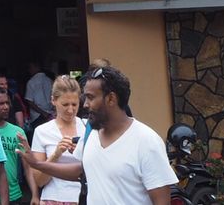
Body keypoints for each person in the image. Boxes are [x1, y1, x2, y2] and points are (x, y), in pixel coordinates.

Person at [23, 64, 176, 205]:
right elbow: (83, 171)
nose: (85, 105)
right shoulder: (91, 134)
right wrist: (38, 165)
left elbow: (161, 200)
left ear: (111, 99)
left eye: (90, 97)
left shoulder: (147, 141)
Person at [26, 75, 85, 205]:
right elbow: (40, 181)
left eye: (74, 104)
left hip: (84, 197)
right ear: (53, 100)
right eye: (65, 104)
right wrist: (56, 154)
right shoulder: (42, 131)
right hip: (54, 198)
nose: (70, 110)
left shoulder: (88, 128)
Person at [0, 87, 29, 205]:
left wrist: (35, 194)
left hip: (14, 194)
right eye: (0, 103)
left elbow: (28, 167)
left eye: (7, 103)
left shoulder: (17, 132)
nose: (5, 107)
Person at [23, 62, 52, 129]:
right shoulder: (49, 80)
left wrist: (43, 113)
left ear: (37, 68)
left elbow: (29, 101)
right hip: (50, 114)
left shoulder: (31, 82)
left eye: (30, 68)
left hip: (37, 116)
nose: (29, 70)